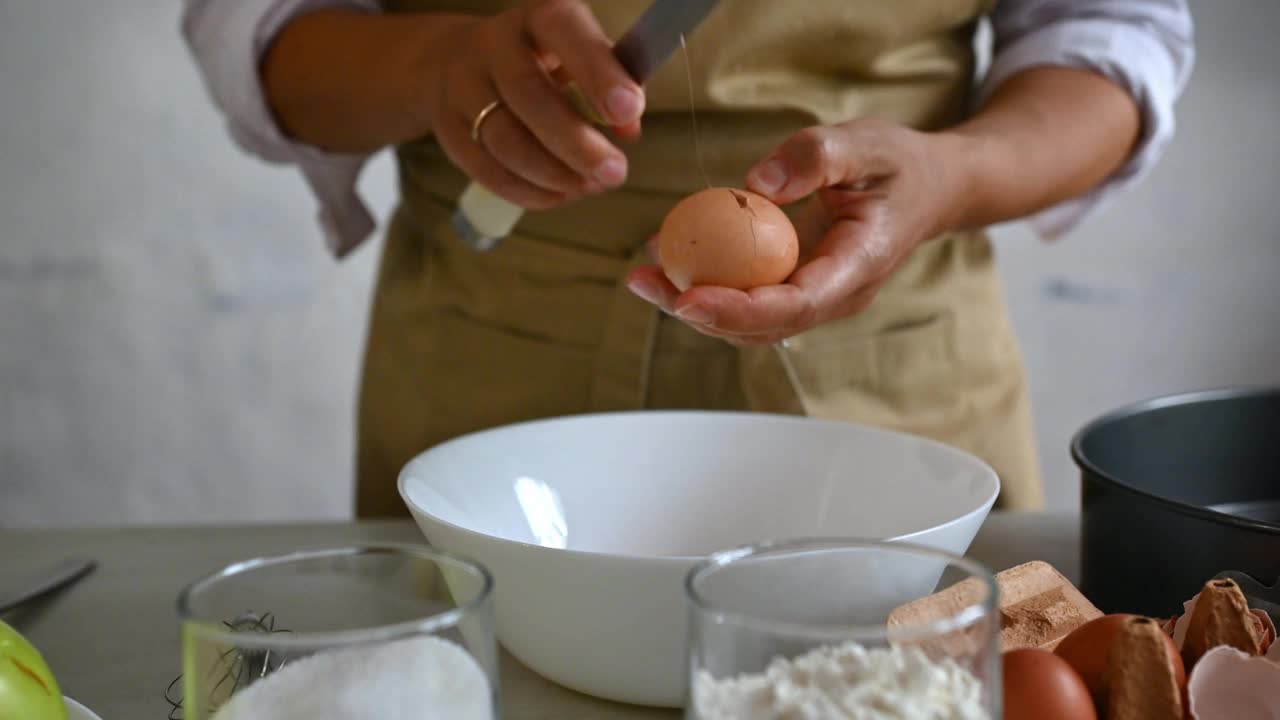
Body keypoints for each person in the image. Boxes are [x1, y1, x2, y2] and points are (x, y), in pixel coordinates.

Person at [182, 0, 1193, 517]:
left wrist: (956, 174)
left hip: (894, 390)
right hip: (492, 385)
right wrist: (432, 67)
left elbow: (1110, 28)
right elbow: (254, 22)